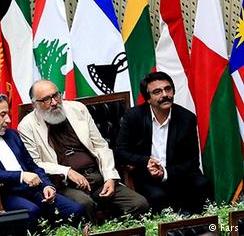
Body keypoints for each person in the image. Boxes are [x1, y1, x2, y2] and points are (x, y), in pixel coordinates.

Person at [18, 79, 149, 222]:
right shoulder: (27, 126)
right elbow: (36, 163)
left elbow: (100, 146)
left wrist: (110, 177)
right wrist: (67, 171)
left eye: (56, 95)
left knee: (139, 204)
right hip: (64, 184)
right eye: (46, 100)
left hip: (97, 177)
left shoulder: (77, 109)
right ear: (35, 104)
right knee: (84, 205)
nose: (55, 102)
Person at [0, 92, 84, 229]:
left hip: (32, 189)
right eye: (2, 115)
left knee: (75, 209)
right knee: (32, 212)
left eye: (8, 114)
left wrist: (47, 185)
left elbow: (32, 165)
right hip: (1, 194)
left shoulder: (11, 135)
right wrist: (21, 176)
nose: (8, 120)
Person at [115, 71, 212, 213]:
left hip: (176, 174)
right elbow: (120, 151)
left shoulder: (187, 118)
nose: (165, 95)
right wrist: (145, 161)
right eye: (157, 92)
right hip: (147, 176)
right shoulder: (133, 116)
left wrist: (165, 172)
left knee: (203, 184)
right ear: (148, 99)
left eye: (168, 89)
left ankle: (202, 227)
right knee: (157, 196)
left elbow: (192, 161)